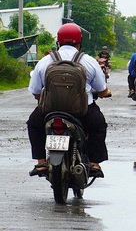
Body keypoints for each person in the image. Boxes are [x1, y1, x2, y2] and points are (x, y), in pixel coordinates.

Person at [27, 23, 111, 177]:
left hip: (49, 111)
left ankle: (41, 162)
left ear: (58, 42)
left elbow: (36, 92)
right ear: (79, 43)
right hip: (82, 111)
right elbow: (101, 89)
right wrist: (106, 92)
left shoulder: (45, 61)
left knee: (33, 124)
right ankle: (94, 163)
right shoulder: (89, 61)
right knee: (98, 126)